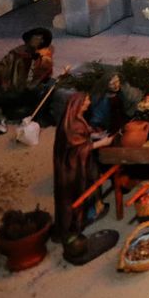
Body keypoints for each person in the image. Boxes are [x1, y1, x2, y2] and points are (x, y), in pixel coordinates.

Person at [52, 91, 119, 263]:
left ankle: (92, 211)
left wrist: (94, 136)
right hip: (72, 169)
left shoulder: (77, 119)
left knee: (93, 183)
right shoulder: (73, 125)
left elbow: (82, 139)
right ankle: (73, 225)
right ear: (79, 104)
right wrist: (101, 143)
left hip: (83, 164)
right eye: (87, 100)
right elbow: (78, 149)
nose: (89, 102)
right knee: (77, 194)